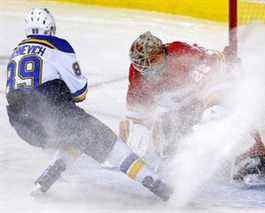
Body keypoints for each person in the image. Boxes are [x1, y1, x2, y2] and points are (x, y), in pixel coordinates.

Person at [5, 8, 172, 201]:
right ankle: (159, 185)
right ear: (51, 27)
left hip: (21, 125)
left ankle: (46, 178)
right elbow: (79, 92)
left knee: (78, 135)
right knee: (108, 143)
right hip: (50, 115)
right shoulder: (57, 46)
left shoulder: (16, 51)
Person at [119, 31, 265, 185]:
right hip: (184, 106)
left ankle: (253, 157)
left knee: (217, 113)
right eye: (142, 65)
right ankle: (188, 163)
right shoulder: (138, 74)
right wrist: (126, 144)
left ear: (162, 52)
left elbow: (214, 88)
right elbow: (137, 114)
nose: (147, 69)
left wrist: (210, 108)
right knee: (166, 138)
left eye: (151, 61)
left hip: (213, 93)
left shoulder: (181, 55)